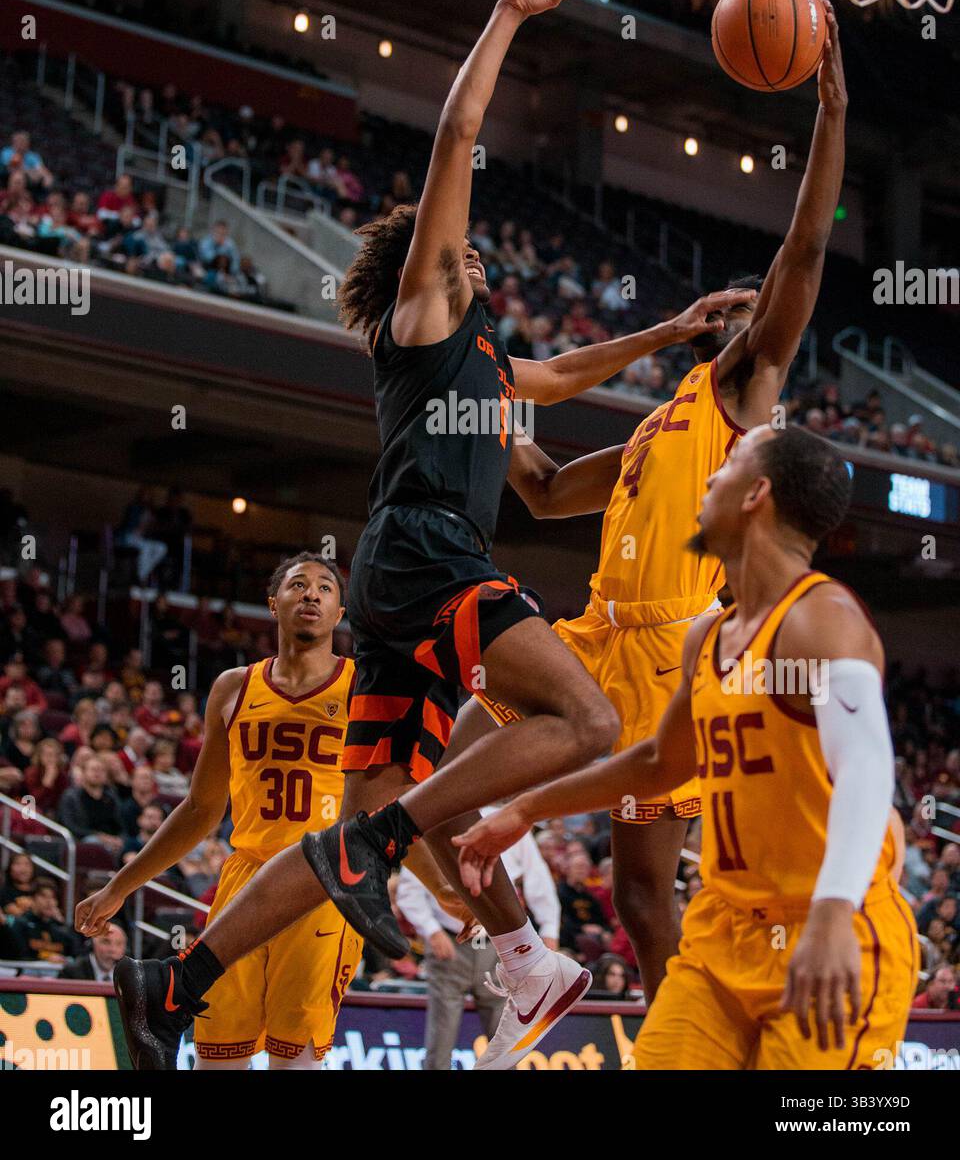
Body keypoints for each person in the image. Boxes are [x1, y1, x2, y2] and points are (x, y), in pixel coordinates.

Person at [100, 0, 747, 1073]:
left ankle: (178, 980)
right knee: (591, 722)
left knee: (381, 812)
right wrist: (507, 14)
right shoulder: (426, 319)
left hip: (405, 579)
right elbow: (456, 136)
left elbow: (549, 474)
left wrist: (666, 372)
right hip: (424, 554)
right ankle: (407, 868)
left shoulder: (489, 374)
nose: (483, 263)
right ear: (435, 264)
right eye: (467, 253)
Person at [498, 0, 848, 1007]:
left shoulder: (741, 401)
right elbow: (547, 487)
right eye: (733, 303)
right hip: (595, 636)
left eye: (753, 306)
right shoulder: (666, 419)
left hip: (665, 651)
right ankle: (530, 955)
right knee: (610, 872)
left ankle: (678, 1027)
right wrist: (475, 390)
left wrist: (829, 105)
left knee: (644, 893)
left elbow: (806, 257)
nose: (743, 312)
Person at [456, 426, 919, 1070]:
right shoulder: (709, 638)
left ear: (757, 495)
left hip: (827, 921)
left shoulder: (821, 617)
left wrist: (836, 915)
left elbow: (869, 772)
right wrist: (527, 808)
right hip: (723, 933)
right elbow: (657, 764)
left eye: (725, 471)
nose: (707, 480)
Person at [76, 555, 360, 1069]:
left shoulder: (362, 686)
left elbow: (398, 795)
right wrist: (121, 884)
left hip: (322, 883)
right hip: (244, 884)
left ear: (340, 611)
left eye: (325, 588)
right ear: (275, 605)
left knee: (295, 1062)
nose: (312, 594)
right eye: (299, 585)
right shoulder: (234, 687)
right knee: (217, 1057)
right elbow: (202, 807)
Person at [394, 806, 560, 1070]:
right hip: (451, 942)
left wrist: (550, 930)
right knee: (441, 1035)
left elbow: (538, 880)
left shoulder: (507, 818)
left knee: (503, 1037)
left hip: (499, 945)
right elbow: (409, 889)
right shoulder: (438, 817)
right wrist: (431, 930)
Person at [59, 921, 127, 982]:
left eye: (119, 943)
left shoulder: (129, 976)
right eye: (106, 942)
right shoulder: (71, 973)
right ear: (93, 944)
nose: (112, 949)